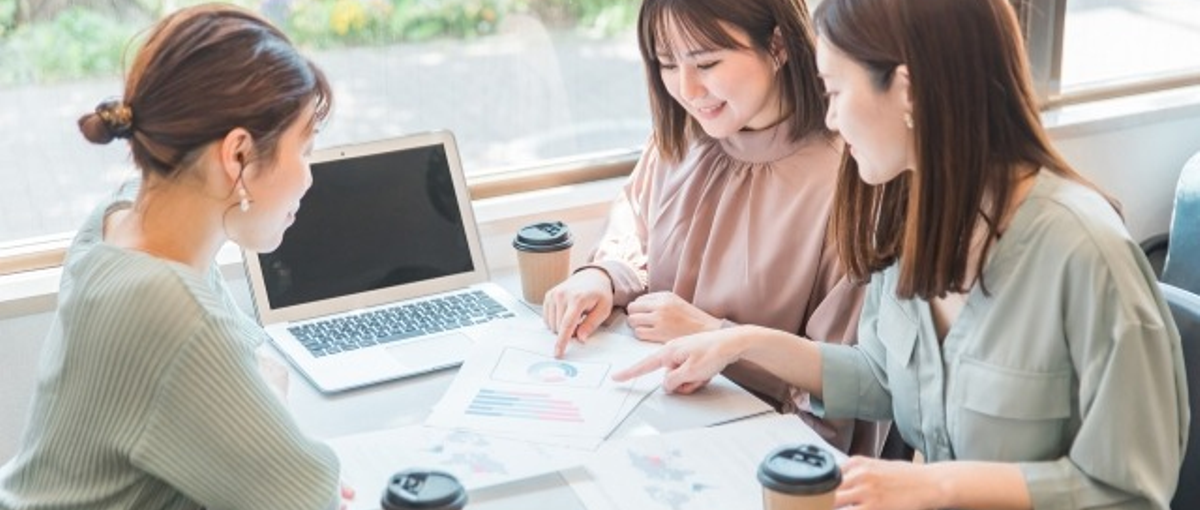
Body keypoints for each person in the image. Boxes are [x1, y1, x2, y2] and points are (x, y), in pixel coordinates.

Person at [614, 0, 1190, 508]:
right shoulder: (909, 213)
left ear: (908, 90)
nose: (829, 118)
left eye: (835, 92)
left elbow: (1129, 492)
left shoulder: (1084, 252)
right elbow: (883, 376)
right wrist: (738, 343)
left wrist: (935, 487)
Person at [0, 4, 351, 509]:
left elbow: (244, 363)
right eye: (305, 150)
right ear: (237, 155)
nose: (309, 178)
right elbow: (307, 496)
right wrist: (285, 456)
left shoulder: (117, 221)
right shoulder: (167, 305)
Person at [540, 0, 884, 455]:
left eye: (707, 63)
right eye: (667, 64)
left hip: (764, 447)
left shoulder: (851, 174)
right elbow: (635, 228)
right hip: (652, 413)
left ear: (777, 45)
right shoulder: (685, 135)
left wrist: (711, 333)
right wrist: (602, 275)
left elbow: (849, 383)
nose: (686, 89)